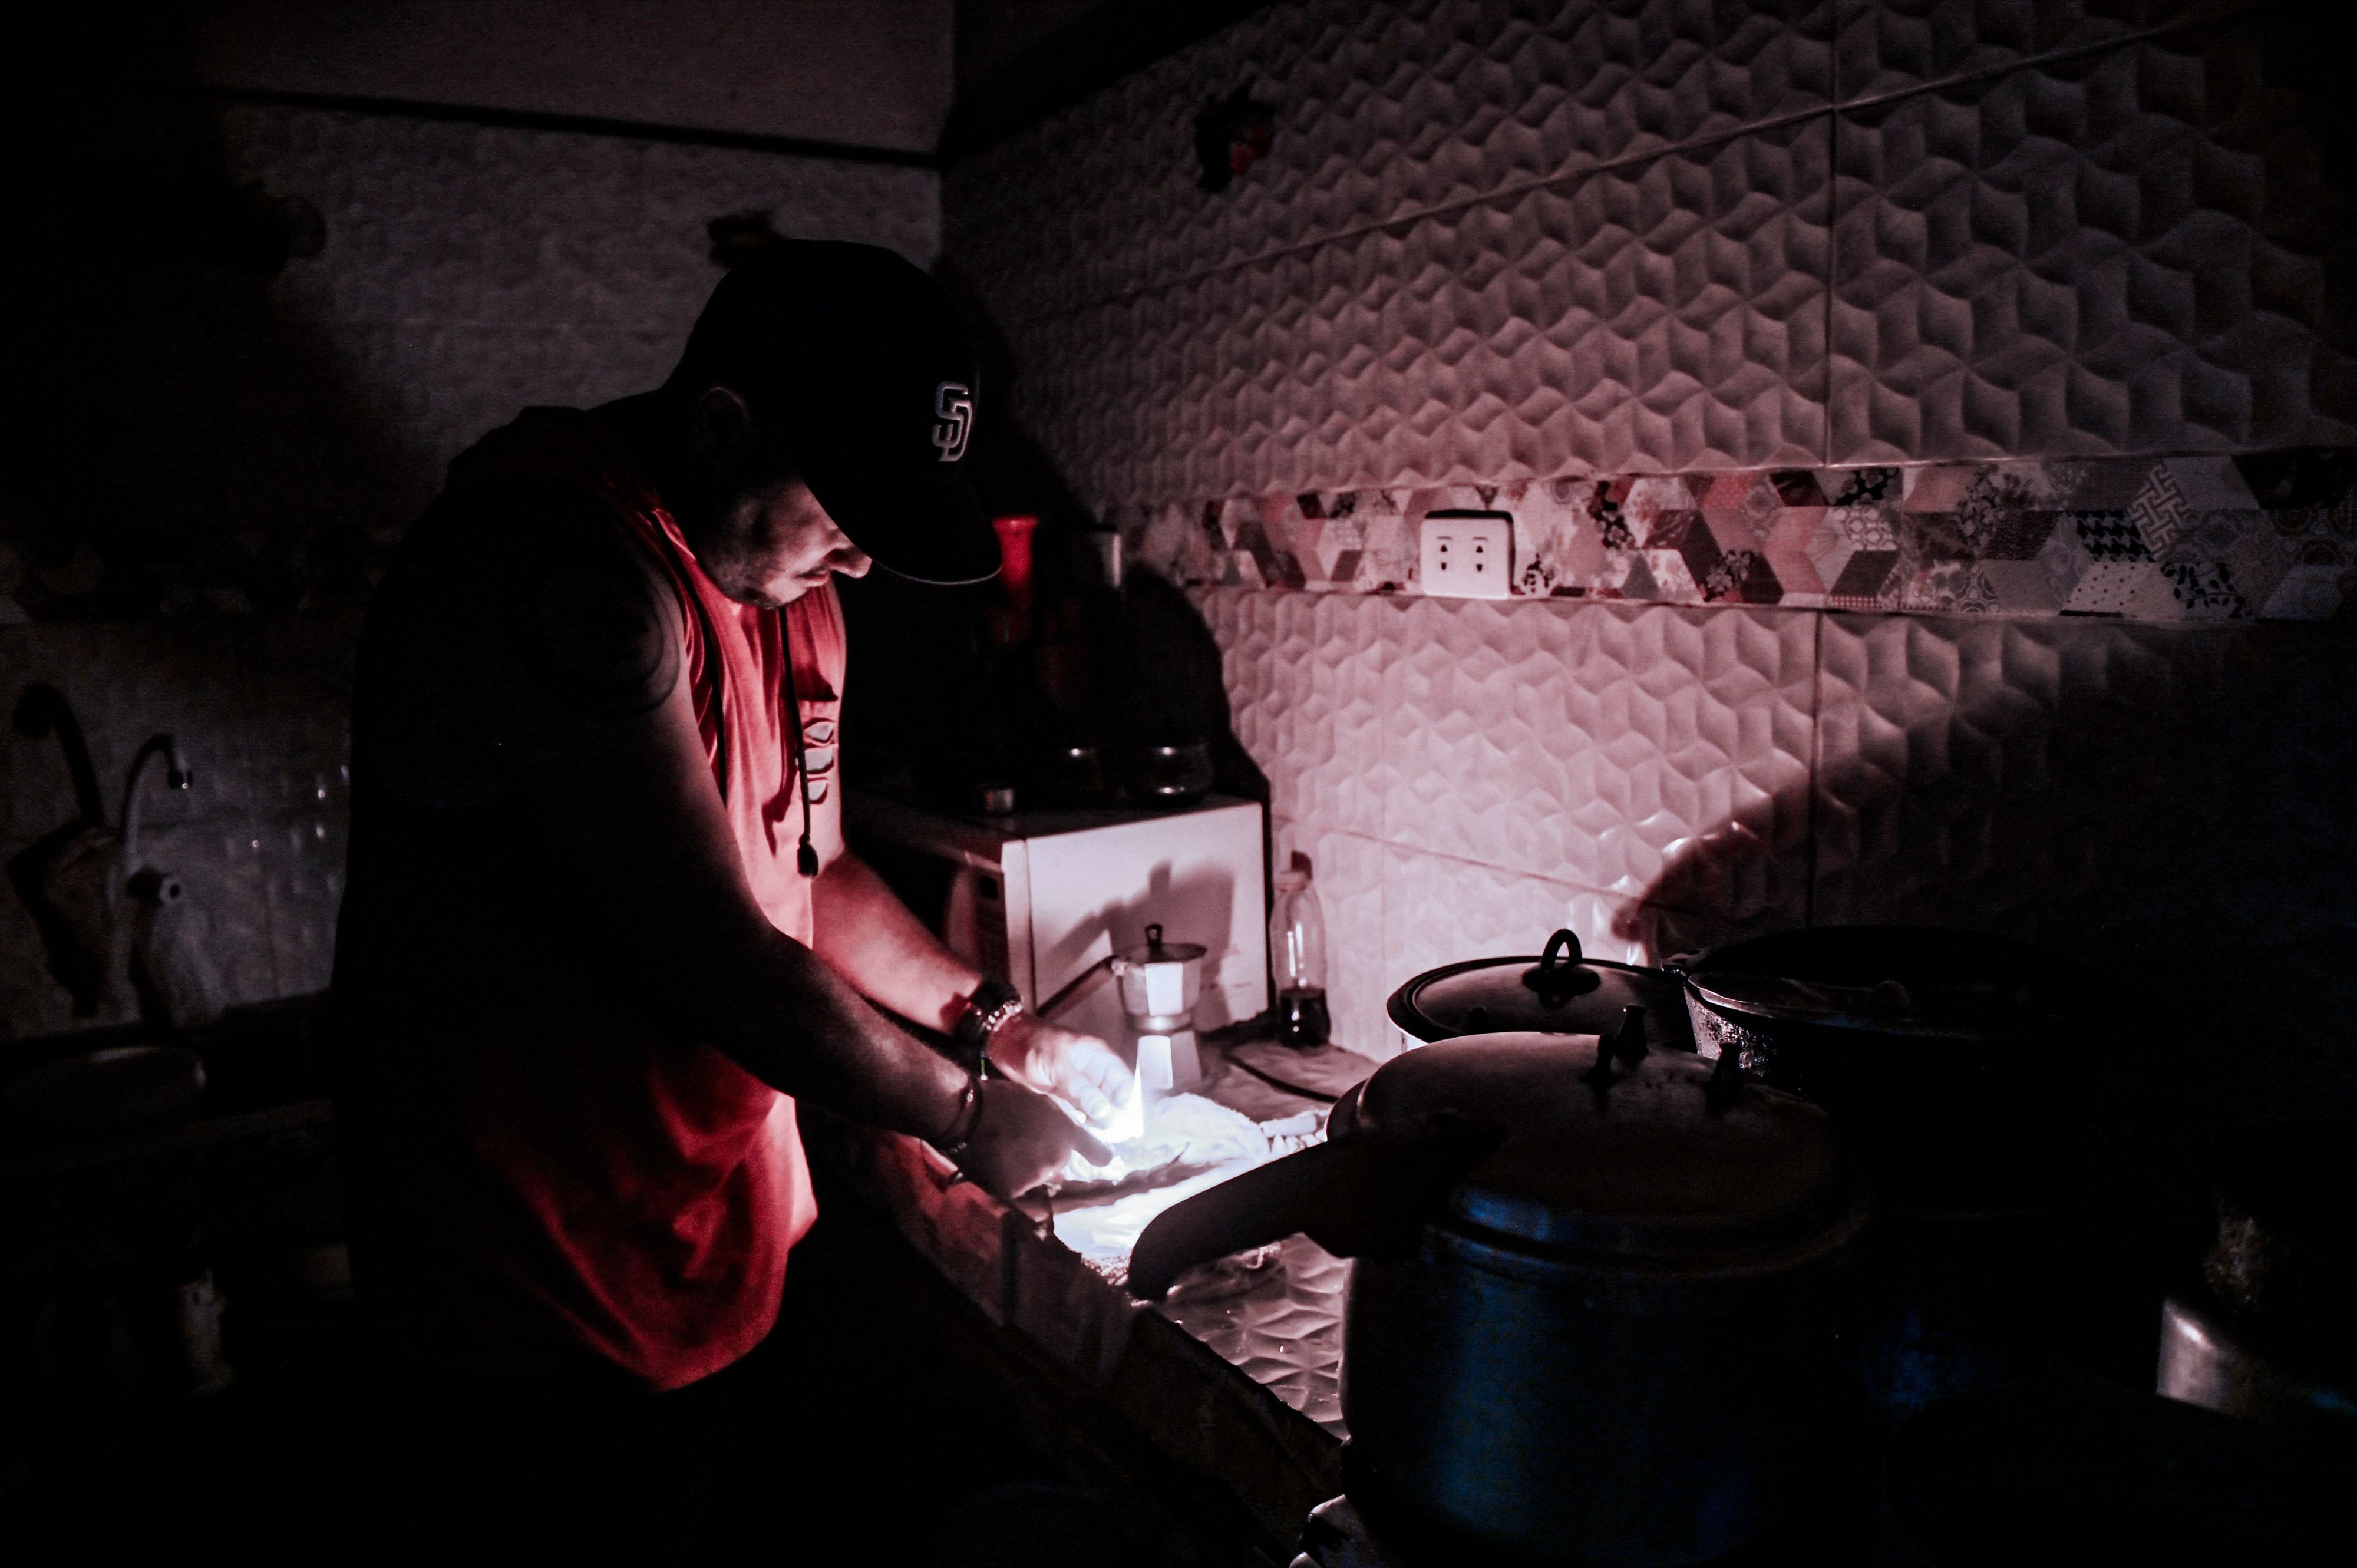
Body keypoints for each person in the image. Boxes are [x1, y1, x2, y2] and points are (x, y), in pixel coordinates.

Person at [330, 242, 1133, 1451]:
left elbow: (820, 873)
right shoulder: (564, 563)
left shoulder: (794, 591)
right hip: (535, 1278)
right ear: (721, 428)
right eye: (846, 512)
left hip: (723, 1236)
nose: (862, 558)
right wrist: (967, 1116)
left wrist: (1002, 1028)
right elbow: (713, 956)